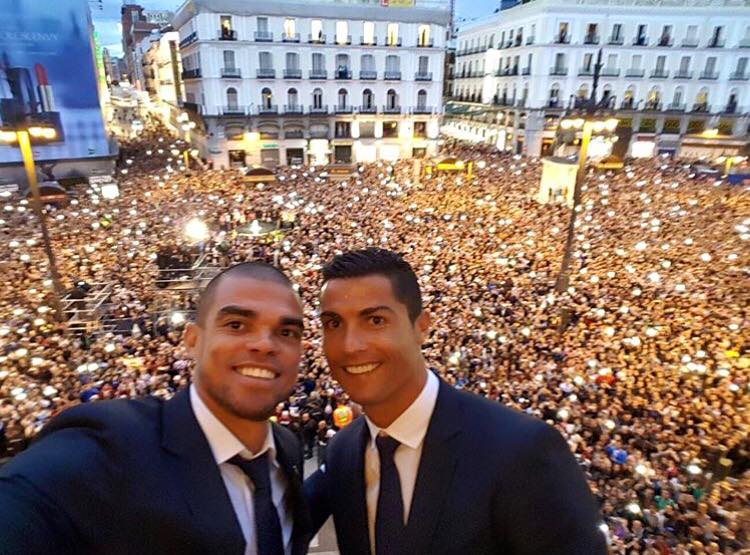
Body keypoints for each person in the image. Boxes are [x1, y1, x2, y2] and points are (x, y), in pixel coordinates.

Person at [305, 248, 606, 554]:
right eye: (333, 324)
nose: (350, 345)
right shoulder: (344, 454)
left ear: (421, 326)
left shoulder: (521, 451)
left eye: (375, 320)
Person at [0, 262, 312, 555]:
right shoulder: (111, 446)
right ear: (192, 340)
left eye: (287, 333)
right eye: (236, 325)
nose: (264, 344)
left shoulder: (285, 449)